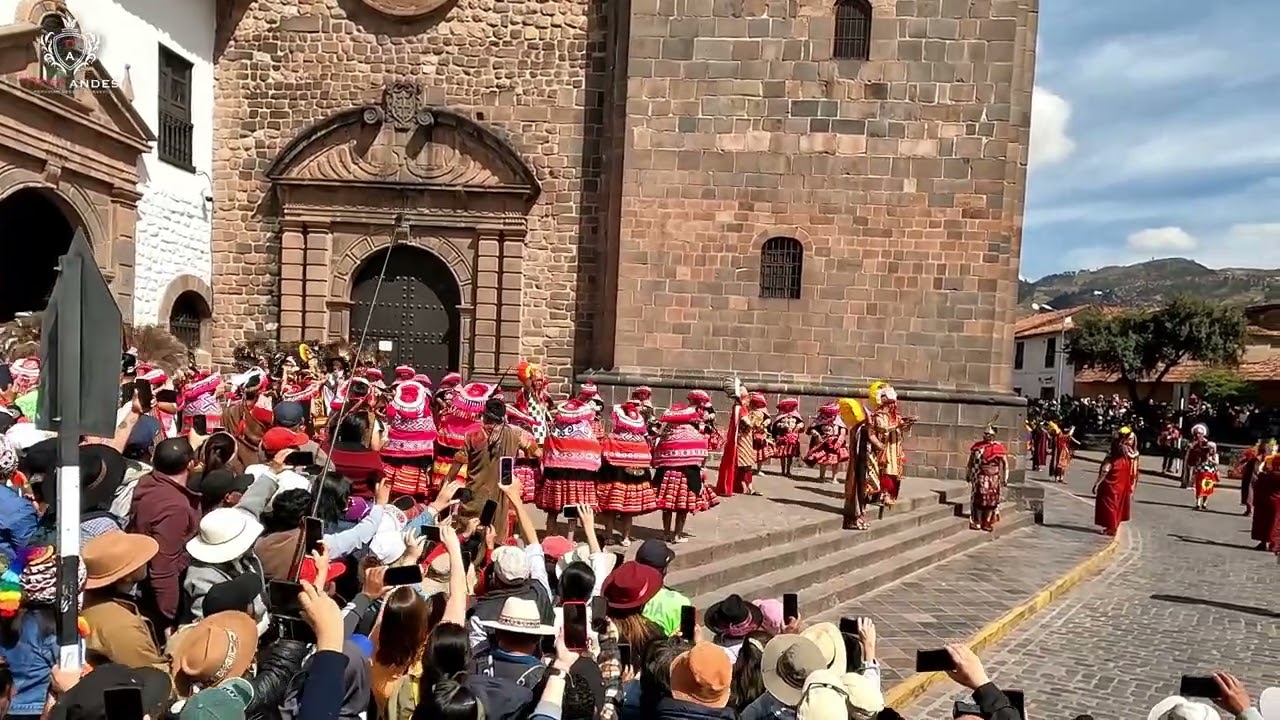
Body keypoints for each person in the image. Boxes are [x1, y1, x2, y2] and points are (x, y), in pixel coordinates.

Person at [128, 437, 202, 631]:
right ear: (191, 464)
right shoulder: (175, 508)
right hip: (159, 596)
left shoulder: (148, 482)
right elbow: (163, 567)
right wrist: (169, 616)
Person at [449, 393, 541, 535]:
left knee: (469, 535)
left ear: (485, 415)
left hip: (474, 497)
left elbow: (455, 468)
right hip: (500, 499)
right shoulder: (515, 434)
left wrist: (447, 484)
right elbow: (536, 452)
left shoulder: (473, 436)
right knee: (495, 536)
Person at [80, 532, 167, 669]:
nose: (147, 561)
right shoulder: (122, 625)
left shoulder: (89, 600)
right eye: (139, 559)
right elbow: (149, 674)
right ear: (127, 575)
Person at [537, 400, 602, 535]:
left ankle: (550, 534)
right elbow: (594, 448)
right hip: (579, 475)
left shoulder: (556, 427)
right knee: (573, 509)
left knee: (553, 510)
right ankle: (570, 538)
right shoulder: (585, 427)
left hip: (556, 473)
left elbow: (548, 447)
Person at [597, 403, 657, 547]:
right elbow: (647, 461)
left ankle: (609, 536)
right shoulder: (641, 441)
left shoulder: (612, 438)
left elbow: (603, 456)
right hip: (634, 480)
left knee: (610, 509)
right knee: (628, 511)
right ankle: (625, 537)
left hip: (614, 479)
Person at [656, 404, 718, 543]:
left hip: (668, 475)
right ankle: (677, 535)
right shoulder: (694, 434)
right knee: (682, 508)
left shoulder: (667, 433)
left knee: (667, 506)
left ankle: (666, 533)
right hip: (687, 475)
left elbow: (658, 454)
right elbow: (702, 455)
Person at [380, 380, 438, 501]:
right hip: (418, 460)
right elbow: (432, 434)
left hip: (394, 455)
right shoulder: (425, 413)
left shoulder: (395, 410)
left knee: (391, 487)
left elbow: (389, 422)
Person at [866, 381, 915, 507]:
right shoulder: (878, 415)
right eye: (890, 404)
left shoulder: (896, 416)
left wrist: (908, 424)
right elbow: (883, 429)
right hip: (884, 448)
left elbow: (903, 429)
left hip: (895, 448)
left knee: (894, 472)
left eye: (893, 403)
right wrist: (897, 425)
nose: (893, 406)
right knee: (885, 471)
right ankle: (884, 494)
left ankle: (889, 495)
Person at [1093, 427, 1139, 536]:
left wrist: (1097, 483)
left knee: (1110, 504)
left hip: (1111, 483)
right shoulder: (1126, 456)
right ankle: (1114, 525)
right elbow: (1133, 455)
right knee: (1117, 504)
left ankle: (1111, 528)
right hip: (1122, 483)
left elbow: (1105, 469)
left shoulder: (1114, 456)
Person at [966, 425, 1008, 532]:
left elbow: (1005, 464)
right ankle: (978, 520)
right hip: (980, 476)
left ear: (993, 436)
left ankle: (987, 521)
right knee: (979, 498)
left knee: (991, 501)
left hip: (993, 478)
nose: (986, 436)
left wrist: (1005, 477)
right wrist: (968, 473)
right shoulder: (978, 447)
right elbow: (970, 462)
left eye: (989, 435)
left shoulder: (998, 447)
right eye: (985, 434)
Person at [803, 403, 848, 484]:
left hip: (834, 442)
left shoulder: (838, 420)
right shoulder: (820, 419)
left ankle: (834, 478)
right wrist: (816, 434)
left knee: (835, 461)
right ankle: (822, 476)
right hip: (823, 442)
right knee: (822, 459)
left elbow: (843, 430)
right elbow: (812, 428)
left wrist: (839, 441)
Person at [1249, 440, 1279, 551]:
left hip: (1268, 498)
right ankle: (1270, 543)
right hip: (1271, 499)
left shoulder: (1266, 474)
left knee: (1267, 522)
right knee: (1271, 522)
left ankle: (1266, 543)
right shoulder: (1268, 472)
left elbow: (1257, 484)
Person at [1187, 424, 1220, 511]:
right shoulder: (1194, 443)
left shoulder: (1207, 444)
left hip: (1209, 472)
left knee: (1207, 487)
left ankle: (1204, 503)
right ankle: (1198, 503)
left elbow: (1216, 462)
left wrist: (1209, 458)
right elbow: (1192, 454)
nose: (1197, 435)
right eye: (1196, 433)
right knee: (1199, 486)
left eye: (1199, 433)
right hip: (1200, 469)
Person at [769, 398, 804, 479]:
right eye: (786, 406)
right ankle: (783, 470)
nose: (788, 407)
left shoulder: (796, 415)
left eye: (789, 406)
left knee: (790, 455)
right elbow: (776, 424)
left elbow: (801, 423)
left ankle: (788, 470)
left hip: (793, 438)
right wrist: (783, 426)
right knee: (783, 455)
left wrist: (799, 426)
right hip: (783, 437)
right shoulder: (781, 415)